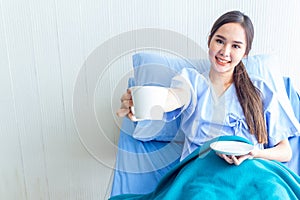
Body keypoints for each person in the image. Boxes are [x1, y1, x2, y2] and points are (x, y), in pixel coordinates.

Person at [117, 10, 296, 166]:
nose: (225, 52)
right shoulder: (191, 82)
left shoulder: (260, 90)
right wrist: (144, 100)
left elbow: (285, 151)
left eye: (235, 46)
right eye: (220, 41)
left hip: (252, 171)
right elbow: (171, 98)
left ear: (245, 52)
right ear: (209, 40)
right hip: (202, 172)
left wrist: (254, 154)